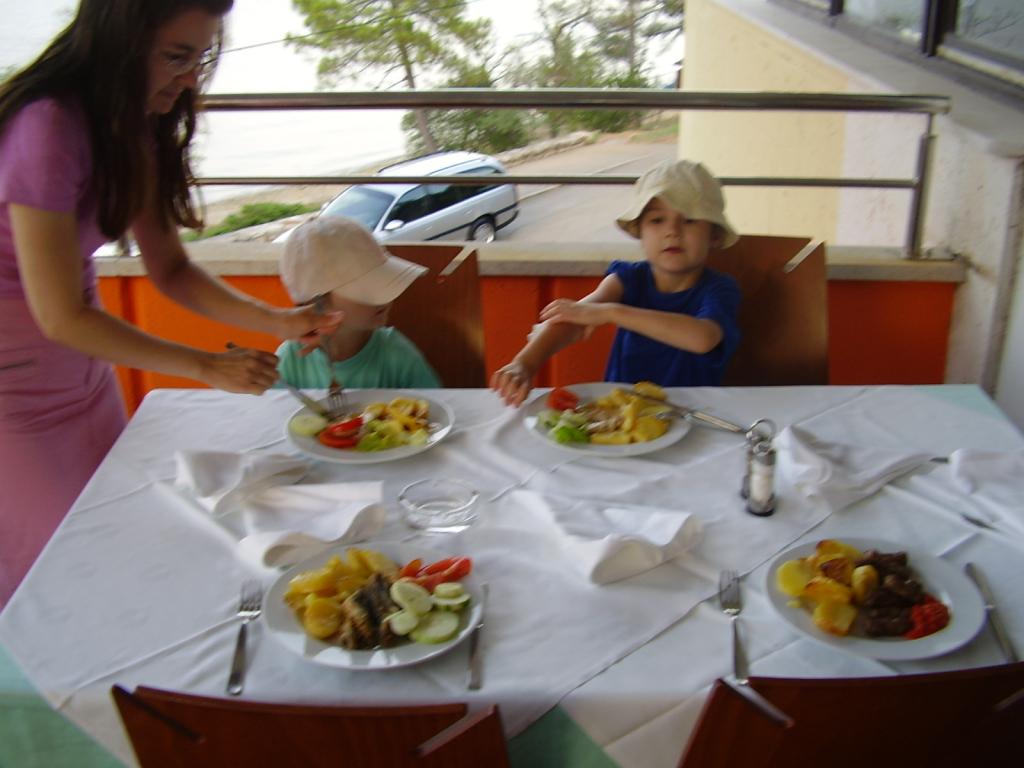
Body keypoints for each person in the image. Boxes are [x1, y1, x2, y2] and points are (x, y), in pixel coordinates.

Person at [0, 0, 341, 607]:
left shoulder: (129, 122)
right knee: (53, 577)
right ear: (118, 41)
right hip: (14, 393)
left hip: (82, 370)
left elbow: (173, 270)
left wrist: (278, 321)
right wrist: (206, 366)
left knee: (113, 531)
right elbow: (61, 315)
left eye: (199, 59)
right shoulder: (47, 125)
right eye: (176, 57)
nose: (188, 80)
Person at [491, 159, 742, 406]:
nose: (672, 231)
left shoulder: (720, 288)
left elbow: (702, 338)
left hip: (696, 416)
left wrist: (610, 312)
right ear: (640, 232)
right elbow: (574, 319)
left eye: (689, 220)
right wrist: (525, 363)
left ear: (714, 235)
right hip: (622, 416)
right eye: (657, 220)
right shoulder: (628, 278)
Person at [277, 216, 441, 390]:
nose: (385, 298)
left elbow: (435, 402)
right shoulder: (290, 359)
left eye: (384, 281)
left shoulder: (396, 352)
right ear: (317, 304)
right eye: (366, 288)